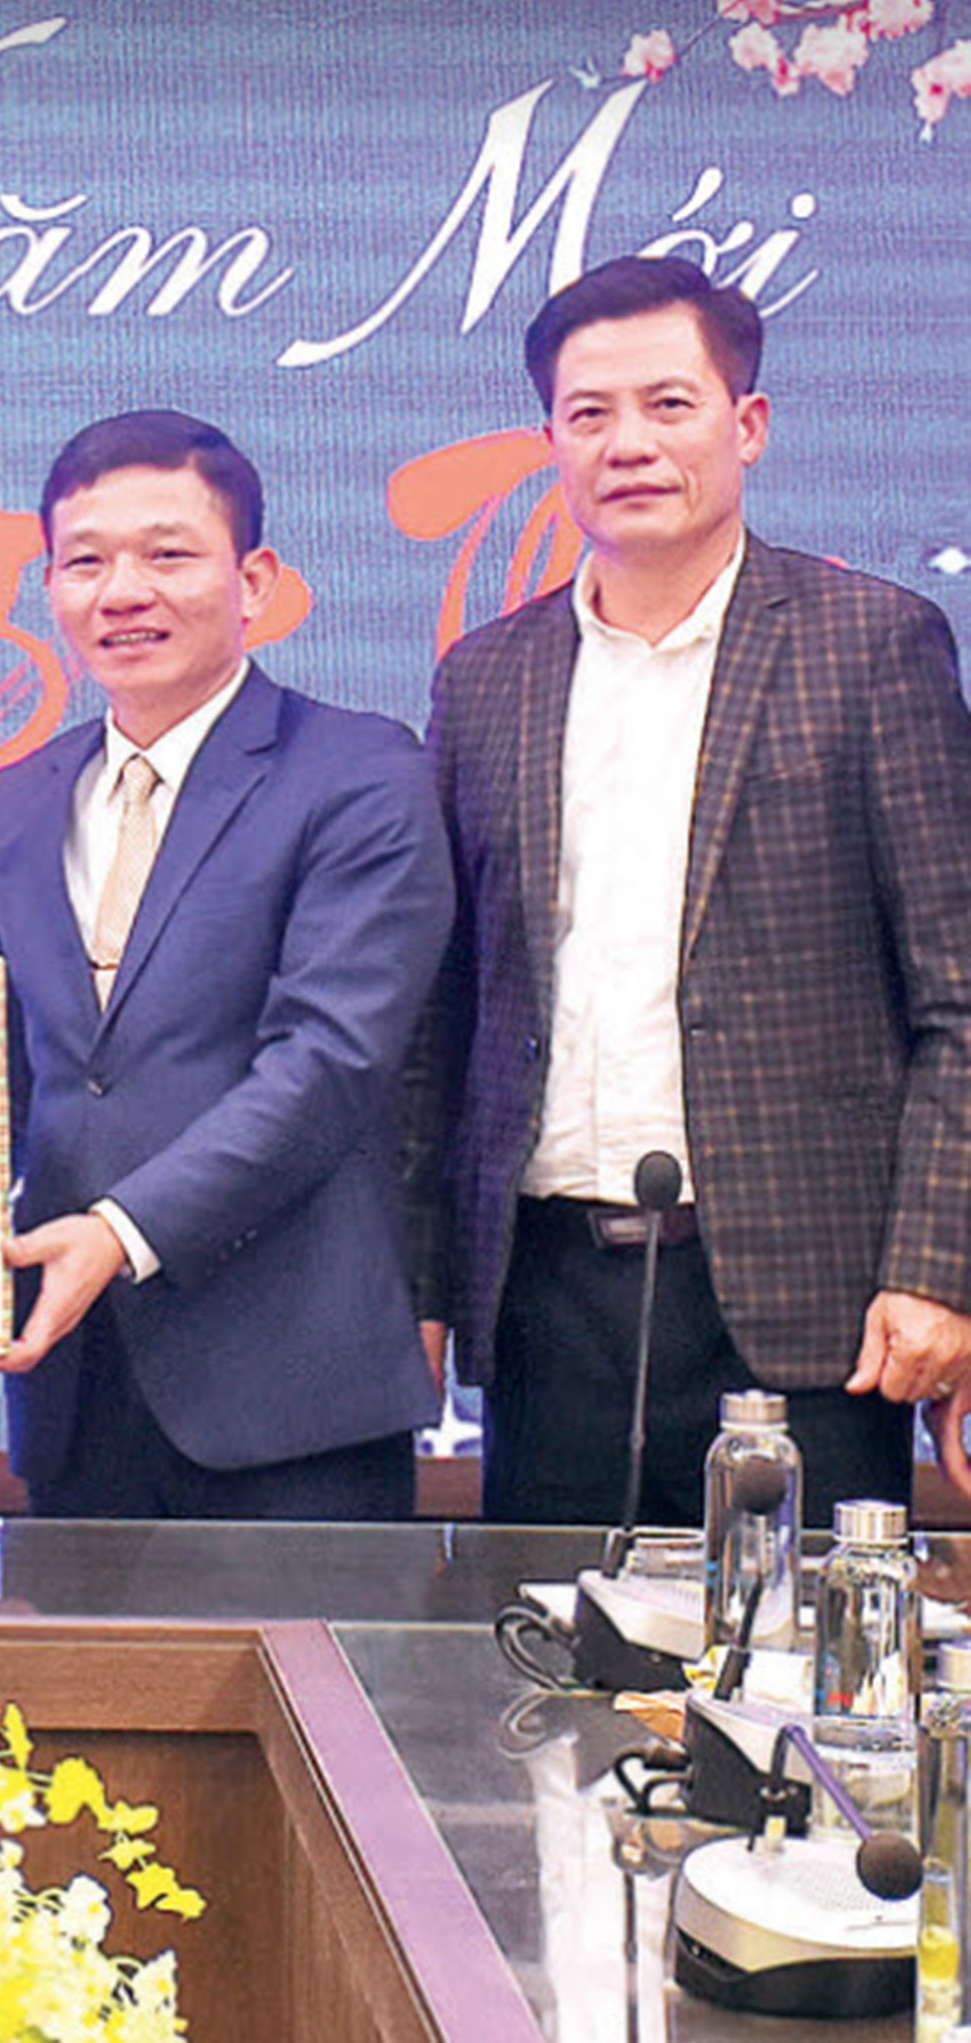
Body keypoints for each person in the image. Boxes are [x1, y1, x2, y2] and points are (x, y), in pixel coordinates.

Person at [410, 255, 971, 1524]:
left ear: (746, 424)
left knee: (791, 1652)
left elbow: (959, 995)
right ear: (552, 442)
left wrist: (938, 1269)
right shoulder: (485, 679)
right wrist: (424, 1286)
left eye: (669, 405)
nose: (629, 444)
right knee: (541, 1641)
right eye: (589, 413)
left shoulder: (869, 646)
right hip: (547, 1296)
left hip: (806, 1304)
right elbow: (443, 1018)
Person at [0, 410, 450, 1519]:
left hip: (291, 1400)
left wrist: (119, 1235)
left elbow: (329, 1063)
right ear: (49, 588)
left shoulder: (359, 774)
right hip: (74, 1384)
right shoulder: (10, 807)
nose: (123, 592)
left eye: (168, 554)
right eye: (86, 562)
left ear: (254, 581)